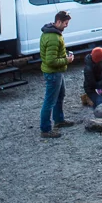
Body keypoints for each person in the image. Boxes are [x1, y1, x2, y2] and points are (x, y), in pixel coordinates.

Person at [39, 10, 75, 138]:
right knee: (50, 101)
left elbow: (52, 55)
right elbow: (51, 60)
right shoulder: (53, 37)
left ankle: (59, 120)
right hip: (54, 73)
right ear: (58, 21)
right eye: (65, 23)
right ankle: (45, 129)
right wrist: (67, 60)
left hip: (57, 72)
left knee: (60, 95)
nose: (66, 25)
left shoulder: (52, 32)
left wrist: (64, 55)